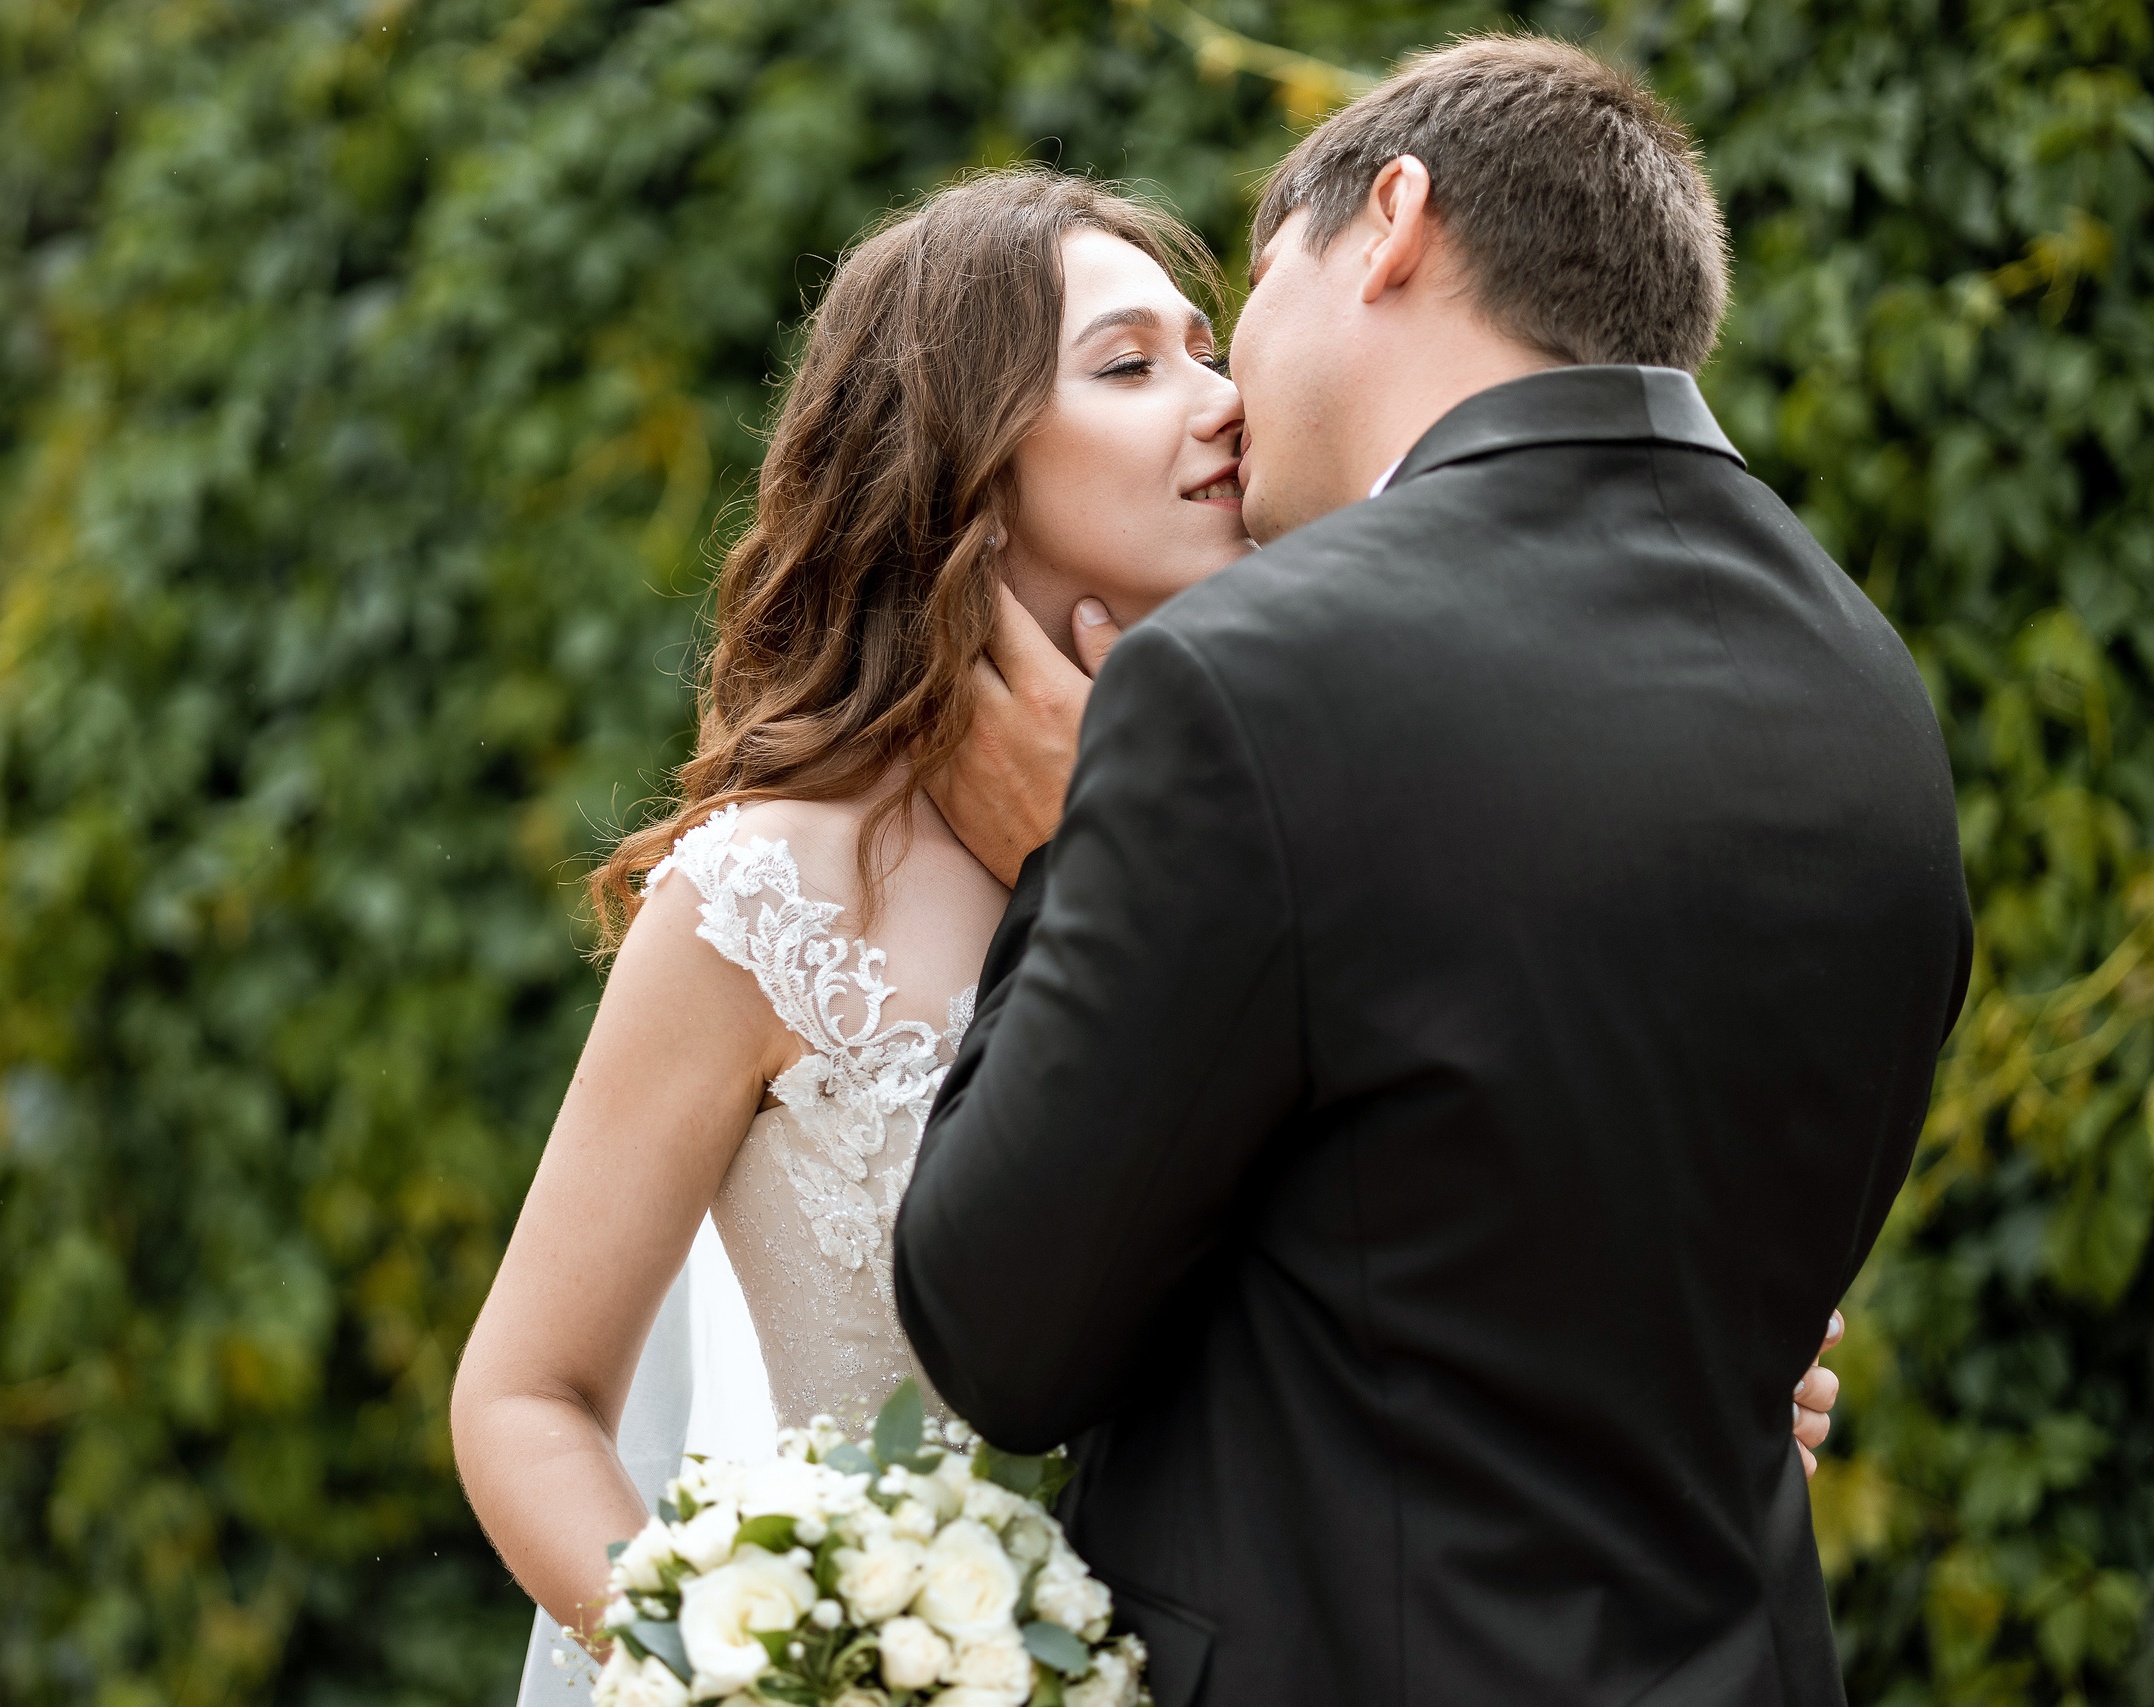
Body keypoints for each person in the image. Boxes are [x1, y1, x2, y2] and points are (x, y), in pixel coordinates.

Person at [449, 159, 1843, 1703]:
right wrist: (759, 1668)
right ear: (962, 461)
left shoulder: (1349, 815)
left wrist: (1687, 1354)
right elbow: (527, 1396)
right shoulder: (771, 897)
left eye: (1209, 347)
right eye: (1128, 366)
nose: (1226, 401)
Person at [893, 34, 1971, 1707]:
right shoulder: (1868, 689)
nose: (1230, 392)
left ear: (1391, 221)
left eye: (1254, 284)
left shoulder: (1254, 678)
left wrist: (1066, 850)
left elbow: (997, 1330)